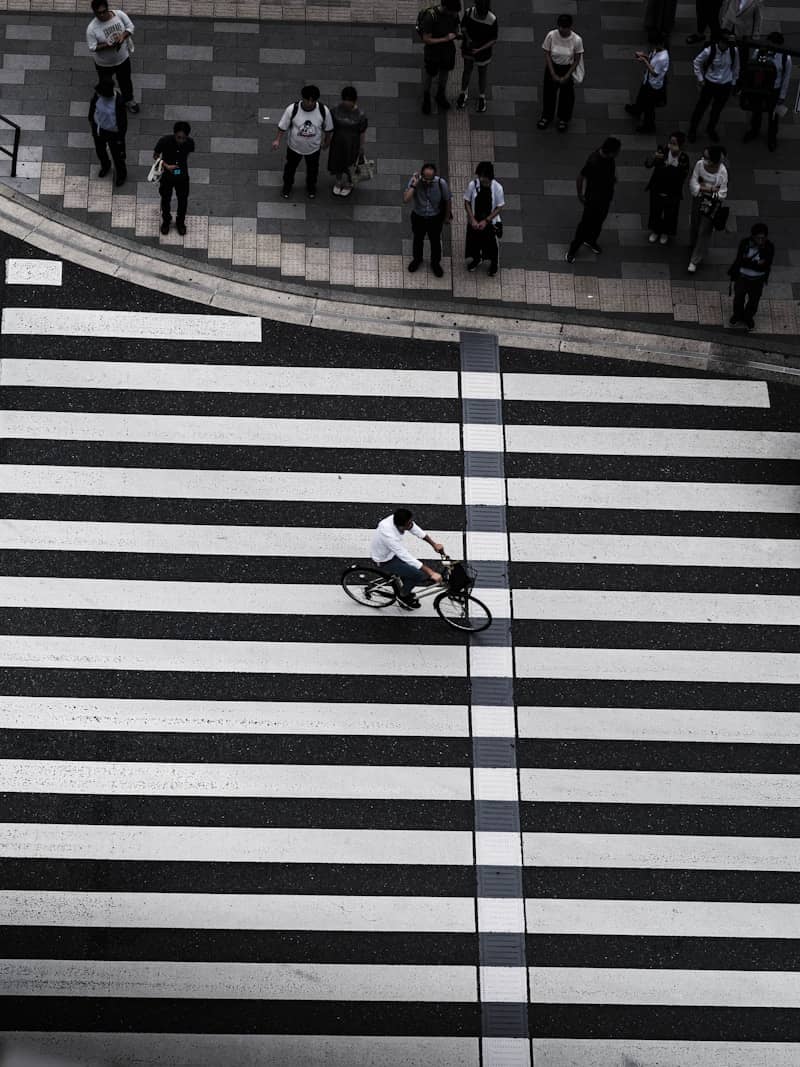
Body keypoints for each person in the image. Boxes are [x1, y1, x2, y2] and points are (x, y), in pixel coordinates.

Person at [370, 508, 443, 611]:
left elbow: (415, 529)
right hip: (385, 559)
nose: (411, 524)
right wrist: (430, 572)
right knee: (418, 575)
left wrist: (434, 544)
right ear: (400, 526)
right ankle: (403, 596)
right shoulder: (389, 535)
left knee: (410, 571)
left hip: (392, 552)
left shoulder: (396, 519)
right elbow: (404, 555)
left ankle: (404, 584)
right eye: (408, 523)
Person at [272, 85, 333, 200]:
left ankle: (311, 187)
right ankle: (287, 186)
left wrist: (327, 142)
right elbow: (283, 126)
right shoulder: (292, 109)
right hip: (294, 147)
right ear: (302, 98)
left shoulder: (323, 111)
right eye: (307, 100)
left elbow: (328, 129)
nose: (310, 103)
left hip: (313, 149)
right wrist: (277, 140)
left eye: (312, 100)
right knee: (290, 168)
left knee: (312, 170)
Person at [565, 137, 620, 263]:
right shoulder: (594, 161)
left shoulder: (610, 158)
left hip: (605, 198)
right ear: (611, 151)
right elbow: (580, 177)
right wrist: (580, 194)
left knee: (599, 221)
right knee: (585, 225)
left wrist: (613, 177)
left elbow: (612, 170)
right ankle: (572, 250)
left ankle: (591, 241)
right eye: (617, 151)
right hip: (593, 199)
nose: (618, 154)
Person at [85, 1, 138, 113]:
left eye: (104, 11)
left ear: (108, 9)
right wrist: (106, 45)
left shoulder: (119, 15)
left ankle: (129, 100)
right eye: (99, 13)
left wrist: (123, 36)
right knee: (105, 85)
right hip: (104, 64)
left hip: (122, 59)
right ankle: (106, 103)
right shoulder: (92, 28)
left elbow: (130, 27)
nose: (102, 15)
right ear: (95, 13)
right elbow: (92, 47)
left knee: (125, 81)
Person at [742, 33, 792, 152]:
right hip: (760, 88)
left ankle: (772, 137)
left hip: (774, 89)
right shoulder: (759, 52)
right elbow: (752, 67)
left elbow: (786, 77)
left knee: (773, 116)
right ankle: (754, 130)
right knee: (756, 111)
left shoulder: (785, 58)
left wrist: (782, 96)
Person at [403, 162, 453, 277]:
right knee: (417, 239)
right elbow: (406, 199)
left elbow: (447, 200)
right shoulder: (415, 181)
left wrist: (446, 217)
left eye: (430, 179)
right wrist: (415, 185)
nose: (427, 182)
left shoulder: (441, 183)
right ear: (422, 174)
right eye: (425, 178)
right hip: (418, 216)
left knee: (435, 241)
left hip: (434, 218)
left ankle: (435, 263)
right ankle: (417, 260)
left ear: (434, 175)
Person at [688, 33, 740, 143]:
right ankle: (692, 130)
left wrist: (733, 82)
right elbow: (697, 62)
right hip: (710, 84)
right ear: (719, 42)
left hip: (725, 85)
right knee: (701, 108)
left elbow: (736, 67)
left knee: (717, 110)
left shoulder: (733, 51)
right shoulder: (709, 51)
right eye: (725, 44)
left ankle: (711, 129)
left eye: (728, 44)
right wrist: (700, 79)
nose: (726, 46)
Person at [537, 14, 584, 132]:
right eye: (561, 27)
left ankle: (563, 119)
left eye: (565, 27)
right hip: (553, 67)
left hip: (567, 68)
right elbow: (547, 53)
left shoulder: (577, 40)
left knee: (567, 95)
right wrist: (552, 72)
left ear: (570, 27)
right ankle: (547, 116)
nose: (562, 30)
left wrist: (567, 75)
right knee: (549, 93)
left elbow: (577, 59)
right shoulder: (551, 35)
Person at [687, 143, 728, 272]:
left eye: (707, 158)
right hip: (698, 199)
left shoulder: (722, 172)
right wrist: (709, 188)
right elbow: (693, 184)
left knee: (704, 230)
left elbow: (722, 193)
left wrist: (703, 187)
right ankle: (694, 244)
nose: (703, 159)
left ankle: (695, 259)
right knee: (695, 223)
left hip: (711, 204)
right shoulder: (699, 165)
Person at [644, 130, 690, 244]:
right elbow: (648, 164)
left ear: (681, 145)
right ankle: (655, 230)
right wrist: (654, 157)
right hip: (657, 187)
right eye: (670, 143)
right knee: (655, 210)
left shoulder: (684, 158)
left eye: (674, 144)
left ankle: (665, 232)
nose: (671, 146)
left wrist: (670, 167)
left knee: (670, 213)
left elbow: (682, 175)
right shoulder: (662, 152)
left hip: (672, 191)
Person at [727, 222, 774, 331]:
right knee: (738, 298)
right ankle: (737, 315)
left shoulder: (768, 247)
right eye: (758, 238)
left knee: (754, 300)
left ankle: (748, 317)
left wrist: (751, 263)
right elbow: (740, 260)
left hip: (757, 280)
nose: (761, 241)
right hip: (742, 278)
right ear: (753, 236)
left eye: (763, 238)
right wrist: (757, 264)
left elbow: (765, 265)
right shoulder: (745, 243)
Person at [419, 0, 462, 115]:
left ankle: (440, 95)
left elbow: (456, 26)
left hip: (447, 52)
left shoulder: (453, 13)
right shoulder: (431, 17)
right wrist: (445, 39)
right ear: (446, 8)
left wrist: (457, 34)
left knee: (445, 71)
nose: (455, 15)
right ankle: (426, 98)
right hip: (433, 53)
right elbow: (426, 39)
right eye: (453, 12)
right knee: (430, 74)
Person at [456, 0, 498, 114]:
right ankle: (463, 93)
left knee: (482, 72)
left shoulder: (492, 19)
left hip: (483, 52)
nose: (481, 16)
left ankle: (482, 97)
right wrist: (468, 38)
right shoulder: (469, 13)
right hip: (469, 48)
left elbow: (493, 39)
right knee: (467, 70)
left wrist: (480, 49)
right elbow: (463, 26)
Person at [154, 120, 194, 237]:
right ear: (174, 134)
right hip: (167, 175)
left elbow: (187, 154)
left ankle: (180, 222)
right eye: (179, 137)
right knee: (165, 199)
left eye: (183, 138)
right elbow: (155, 155)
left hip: (182, 176)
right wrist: (166, 166)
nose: (181, 140)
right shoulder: (164, 141)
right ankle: (166, 221)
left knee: (183, 201)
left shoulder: (190, 143)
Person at [463, 161, 504, 275]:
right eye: (480, 176)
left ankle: (494, 264)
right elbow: (467, 202)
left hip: (490, 221)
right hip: (475, 220)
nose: (481, 179)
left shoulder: (497, 188)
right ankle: (477, 259)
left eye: (484, 176)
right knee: (474, 242)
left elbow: (499, 207)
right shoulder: (473, 185)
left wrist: (486, 221)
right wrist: (472, 219)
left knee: (491, 245)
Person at [327, 86, 368, 197]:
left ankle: (350, 183)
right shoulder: (335, 110)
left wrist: (362, 147)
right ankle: (338, 181)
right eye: (345, 100)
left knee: (351, 164)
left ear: (355, 100)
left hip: (353, 144)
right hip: (338, 142)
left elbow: (362, 132)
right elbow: (329, 126)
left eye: (349, 100)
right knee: (337, 161)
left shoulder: (360, 114)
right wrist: (327, 140)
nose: (347, 103)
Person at [625, 38, 670, 134]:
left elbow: (655, 73)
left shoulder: (663, 58)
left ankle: (648, 126)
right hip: (648, 81)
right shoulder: (657, 50)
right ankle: (636, 110)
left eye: (655, 45)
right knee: (641, 97)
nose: (653, 47)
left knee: (649, 108)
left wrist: (644, 61)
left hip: (653, 86)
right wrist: (644, 55)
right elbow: (652, 59)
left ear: (661, 44)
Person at [87, 79, 127, 186]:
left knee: (117, 155)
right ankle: (105, 166)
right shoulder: (98, 95)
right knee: (100, 150)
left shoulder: (118, 101)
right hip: (99, 128)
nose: (98, 93)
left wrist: (120, 137)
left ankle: (121, 175)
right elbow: (93, 106)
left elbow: (123, 122)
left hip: (113, 132)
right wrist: (91, 120)